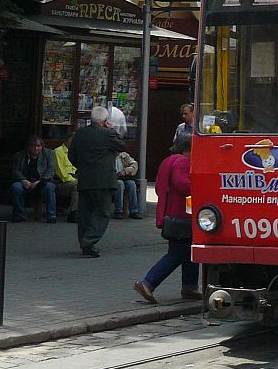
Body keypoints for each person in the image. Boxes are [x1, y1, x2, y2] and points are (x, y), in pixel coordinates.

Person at [133, 133, 200, 304]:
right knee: (177, 253)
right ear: (187, 150)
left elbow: (158, 187)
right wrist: (201, 185)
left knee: (189, 252)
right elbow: (183, 185)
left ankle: (190, 286)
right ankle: (148, 283)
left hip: (169, 213)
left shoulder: (167, 161)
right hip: (181, 214)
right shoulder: (183, 162)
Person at [69, 106, 127, 257]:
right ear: (105, 120)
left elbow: (72, 156)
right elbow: (121, 145)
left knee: (85, 213)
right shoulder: (107, 134)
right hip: (103, 180)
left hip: (85, 179)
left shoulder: (80, 133)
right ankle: (89, 241)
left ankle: (84, 244)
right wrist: (112, 130)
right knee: (102, 212)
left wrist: (82, 167)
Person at [11, 136, 57, 223]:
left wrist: (40, 181)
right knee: (15, 187)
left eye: (38, 146)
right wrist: (23, 180)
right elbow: (15, 170)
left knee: (50, 187)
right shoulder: (19, 155)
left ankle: (51, 216)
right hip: (25, 181)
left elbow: (51, 170)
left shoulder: (48, 153)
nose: (36, 148)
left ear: (42, 146)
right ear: (28, 147)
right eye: (33, 146)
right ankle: (19, 215)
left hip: (42, 181)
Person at [54, 130, 78, 223]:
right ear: (68, 140)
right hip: (62, 181)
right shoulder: (58, 151)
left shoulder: (75, 152)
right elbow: (61, 173)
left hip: (75, 177)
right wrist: (74, 180)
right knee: (78, 186)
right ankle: (73, 213)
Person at [113, 150, 141, 219]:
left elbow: (134, 165)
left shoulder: (124, 156)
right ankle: (118, 211)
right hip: (112, 179)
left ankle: (134, 211)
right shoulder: (108, 157)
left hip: (124, 177)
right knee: (120, 184)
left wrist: (125, 171)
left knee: (131, 184)